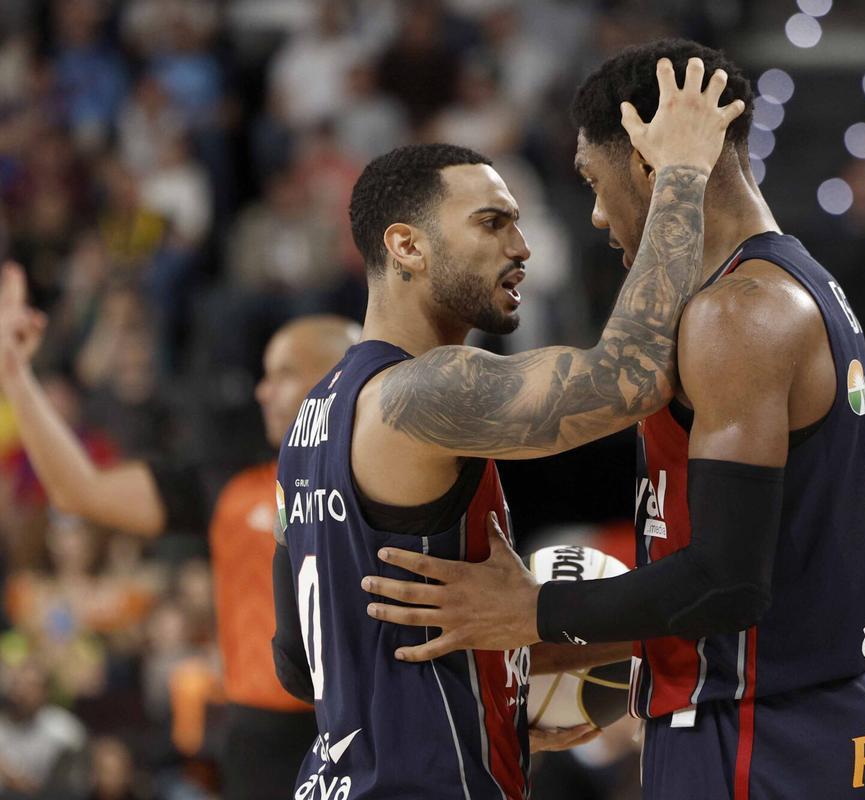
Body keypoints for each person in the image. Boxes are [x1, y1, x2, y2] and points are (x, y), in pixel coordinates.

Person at [363, 39, 865, 799]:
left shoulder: (736, 315)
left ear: (650, 164)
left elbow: (727, 584)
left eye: (593, 178)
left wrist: (535, 612)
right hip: (799, 719)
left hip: (758, 735)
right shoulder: (795, 284)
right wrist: (583, 653)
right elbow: (769, 577)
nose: (593, 210)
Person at [270, 58, 744, 798]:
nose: (521, 248)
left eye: (519, 223)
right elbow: (632, 376)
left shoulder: (312, 421)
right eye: (492, 223)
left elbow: (303, 664)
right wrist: (680, 174)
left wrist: (490, 693)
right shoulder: (424, 390)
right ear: (407, 247)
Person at [0, 262, 359, 800]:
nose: (262, 391)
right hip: (262, 738)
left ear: (336, 379)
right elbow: (81, 489)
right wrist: (15, 377)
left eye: (282, 374)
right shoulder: (226, 483)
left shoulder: (391, 481)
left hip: (369, 728)